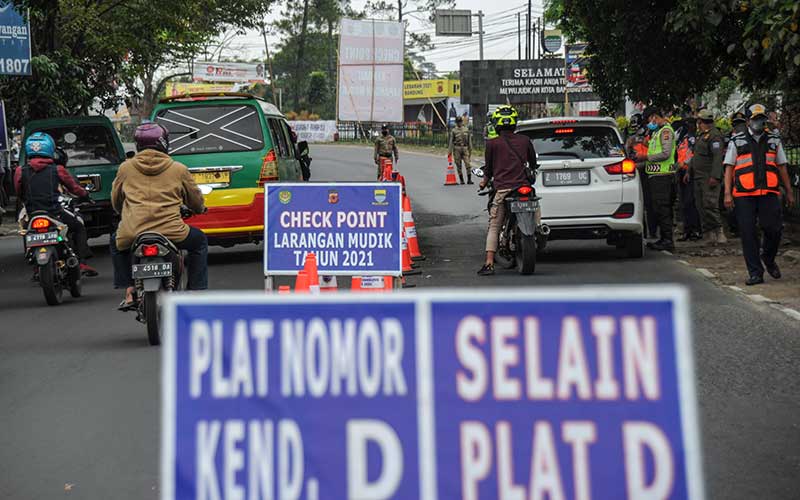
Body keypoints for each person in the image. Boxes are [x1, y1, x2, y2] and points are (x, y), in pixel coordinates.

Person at [110, 122, 207, 309]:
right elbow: (195, 200)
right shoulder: (178, 169)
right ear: (164, 142)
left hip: (133, 232)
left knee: (116, 242)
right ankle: (195, 291)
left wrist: (121, 212)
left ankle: (130, 290)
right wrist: (199, 209)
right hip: (172, 232)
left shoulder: (125, 168)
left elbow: (116, 199)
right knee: (200, 241)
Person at [723, 103, 796, 286]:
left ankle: (768, 258)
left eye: (762, 118)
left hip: (769, 192)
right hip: (743, 194)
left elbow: (782, 167)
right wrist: (727, 194)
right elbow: (729, 169)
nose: (759, 122)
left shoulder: (773, 140)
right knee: (748, 234)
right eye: (755, 119)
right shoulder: (736, 140)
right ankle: (756, 272)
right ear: (748, 121)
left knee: (774, 229)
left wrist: (789, 192)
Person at [13, 132, 97, 276]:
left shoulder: (20, 171)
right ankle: (81, 262)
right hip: (54, 213)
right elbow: (74, 188)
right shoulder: (58, 170)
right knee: (79, 226)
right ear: (50, 149)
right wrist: (85, 195)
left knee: (28, 232)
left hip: (32, 214)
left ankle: (34, 264)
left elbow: (18, 191)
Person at [478, 105, 537, 276]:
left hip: (503, 189)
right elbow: (533, 163)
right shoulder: (525, 140)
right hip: (523, 187)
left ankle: (489, 263)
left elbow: (488, 170)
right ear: (514, 123)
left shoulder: (492, 144)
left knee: (494, 225)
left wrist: (483, 183)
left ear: (496, 123)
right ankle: (540, 228)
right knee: (535, 204)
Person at [643, 107, 677, 251]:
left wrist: (646, 157)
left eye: (650, 119)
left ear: (654, 117)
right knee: (659, 208)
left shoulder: (666, 131)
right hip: (655, 176)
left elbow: (666, 154)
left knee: (663, 209)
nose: (649, 123)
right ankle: (664, 238)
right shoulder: (657, 132)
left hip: (663, 176)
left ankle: (668, 240)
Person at [691, 109, 726, 243]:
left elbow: (717, 158)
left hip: (708, 176)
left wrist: (715, 176)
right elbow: (696, 157)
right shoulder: (702, 135)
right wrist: (689, 171)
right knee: (701, 205)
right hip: (698, 176)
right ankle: (708, 233)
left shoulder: (714, 136)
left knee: (710, 204)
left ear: (701, 121)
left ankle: (719, 231)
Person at [625, 113, 656, 238]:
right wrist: (628, 145)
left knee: (650, 203)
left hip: (648, 170)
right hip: (635, 171)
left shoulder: (650, 135)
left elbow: (654, 154)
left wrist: (644, 142)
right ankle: (643, 232)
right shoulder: (629, 137)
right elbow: (627, 155)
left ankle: (653, 232)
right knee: (639, 203)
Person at [675, 116, 701, 241]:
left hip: (690, 172)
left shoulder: (693, 138)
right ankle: (687, 230)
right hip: (681, 171)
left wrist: (687, 170)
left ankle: (695, 230)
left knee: (691, 202)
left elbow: (693, 156)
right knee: (684, 203)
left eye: (691, 124)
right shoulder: (682, 139)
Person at [449, 116, 473, 184]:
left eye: (460, 122)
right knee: (458, 164)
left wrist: (470, 149)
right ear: (456, 122)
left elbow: (469, 141)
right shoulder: (454, 131)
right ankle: (461, 180)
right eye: (458, 122)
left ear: (462, 122)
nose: (459, 123)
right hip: (457, 148)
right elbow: (451, 141)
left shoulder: (466, 129)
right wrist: (449, 152)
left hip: (465, 148)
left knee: (468, 164)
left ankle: (469, 179)